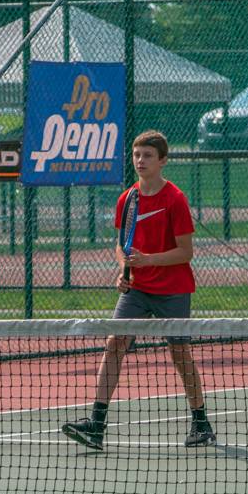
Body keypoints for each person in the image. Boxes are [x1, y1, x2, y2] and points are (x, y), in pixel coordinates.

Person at [62, 130, 213, 452]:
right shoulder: (127, 199)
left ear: (162, 161)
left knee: (179, 353)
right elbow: (121, 245)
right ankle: (96, 424)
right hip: (138, 289)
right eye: (136, 155)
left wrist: (148, 260)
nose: (140, 161)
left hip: (173, 289)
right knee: (114, 344)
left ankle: (201, 423)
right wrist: (124, 270)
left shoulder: (175, 199)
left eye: (147, 156)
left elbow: (186, 252)